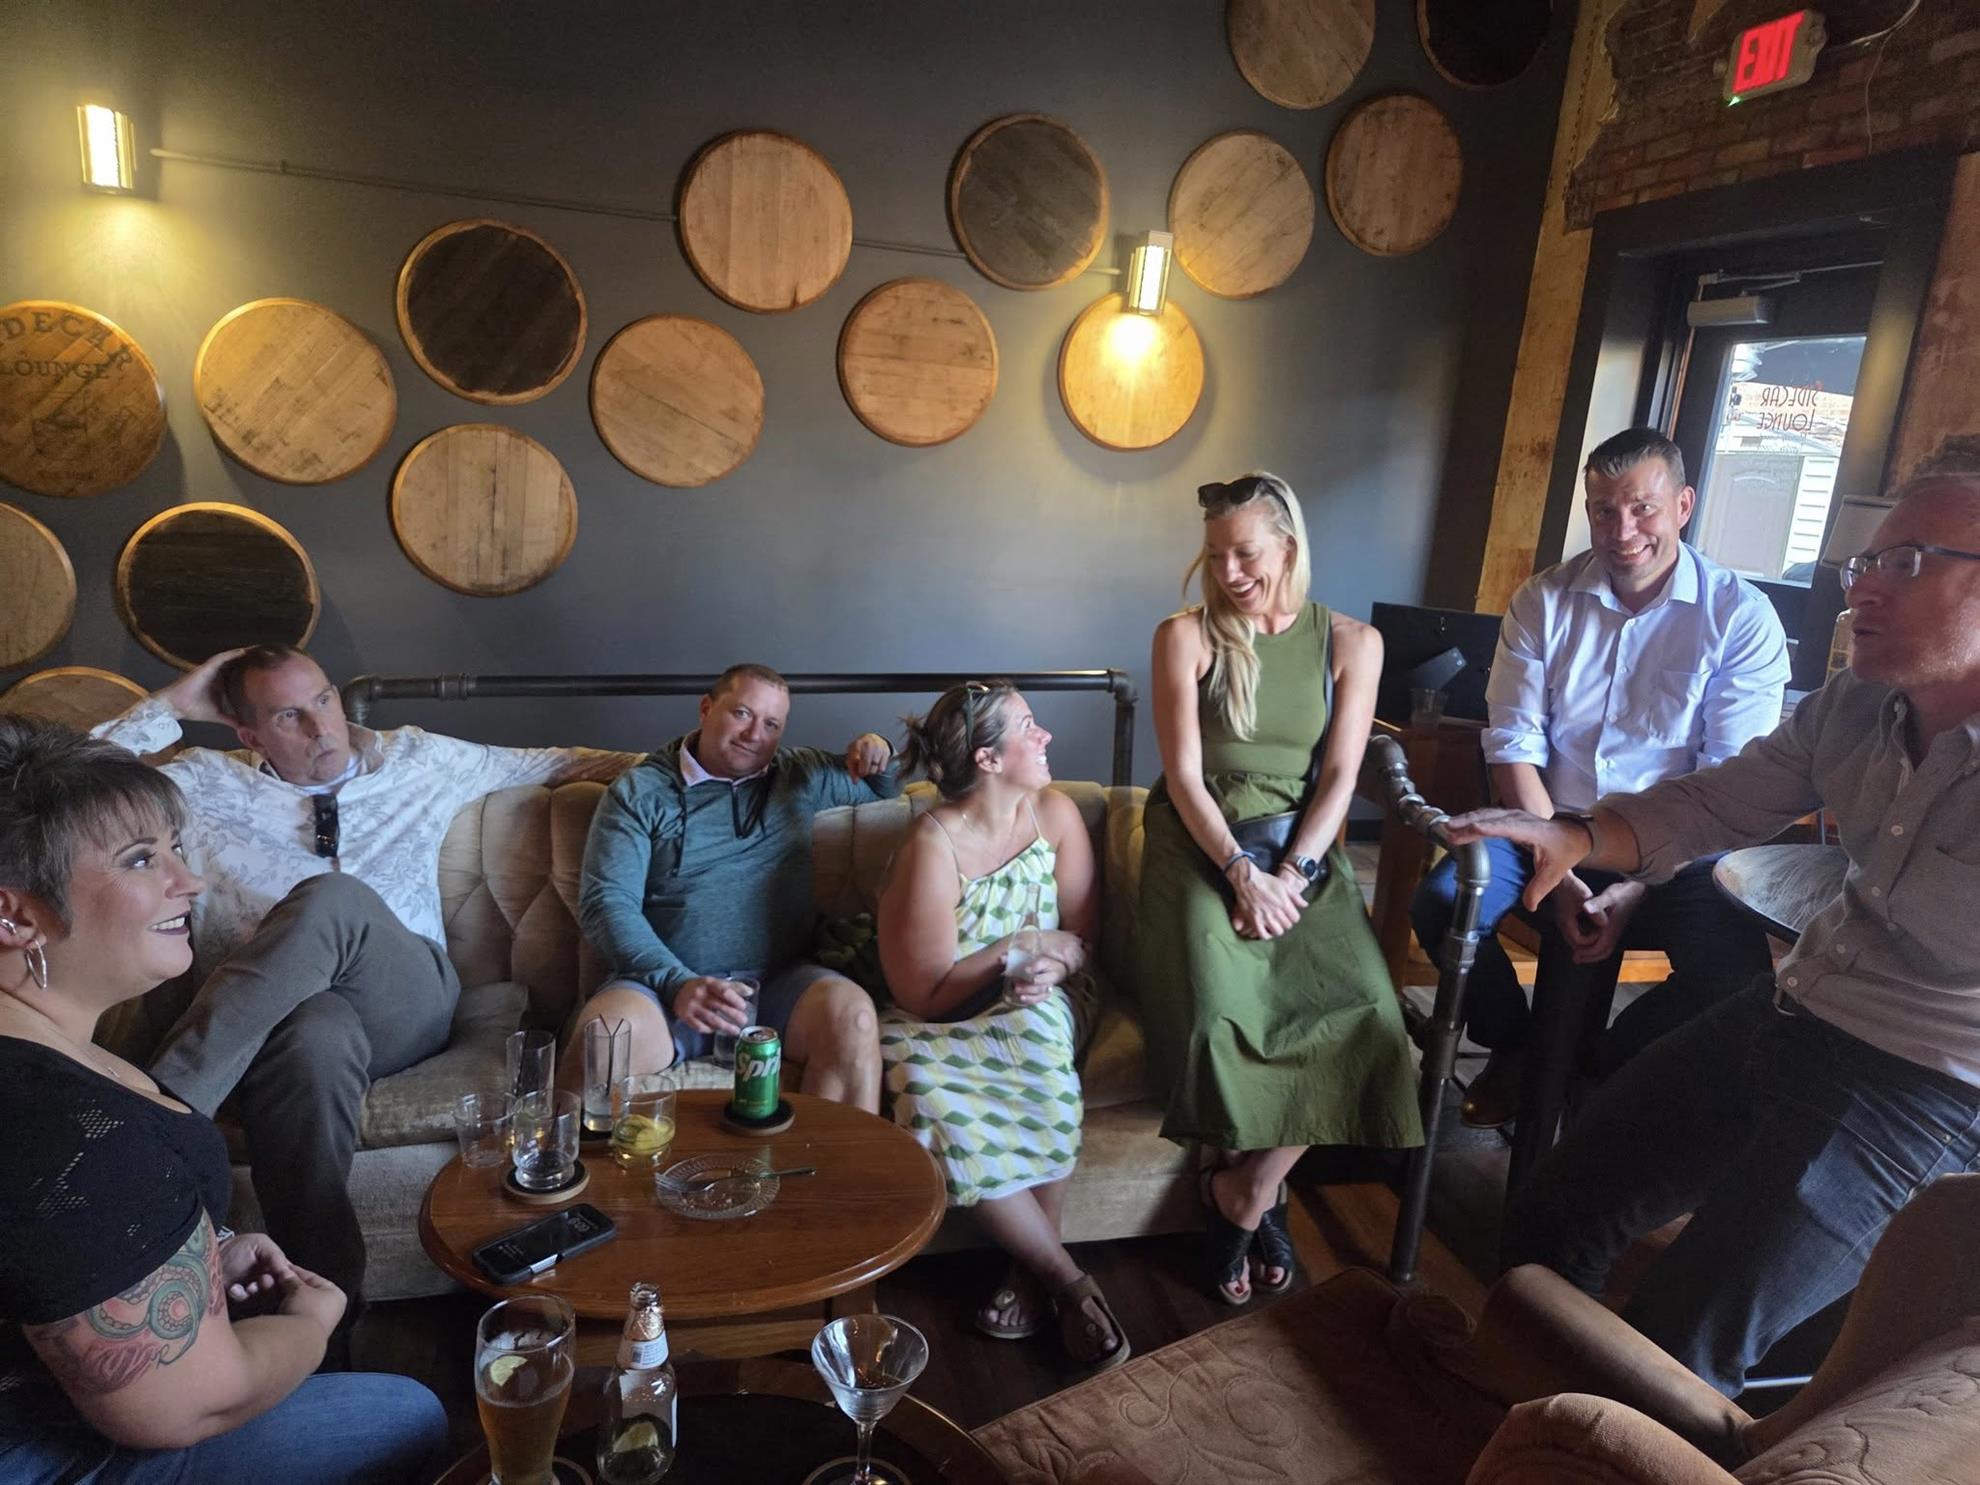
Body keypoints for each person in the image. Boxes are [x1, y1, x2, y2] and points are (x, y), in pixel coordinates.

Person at [1444, 471, 1980, 1396]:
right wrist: (1574, 835)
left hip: (1925, 1085)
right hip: (1797, 1007)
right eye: (1862, 565)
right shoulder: (1853, 706)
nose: (1860, 591)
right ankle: (1522, 1427)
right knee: (1550, 1216)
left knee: (1677, 1339)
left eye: (1904, 563)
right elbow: (1716, 801)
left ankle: (1597, 1448)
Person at [91, 645, 632, 1310]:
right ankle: (324, 1309)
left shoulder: (417, 758)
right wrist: (171, 705)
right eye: (289, 716)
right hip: (282, 1025)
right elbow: (61, 792)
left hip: (406, 1002)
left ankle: (160, 1112)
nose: (322, 725)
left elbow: (564, 762)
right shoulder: (203, 782)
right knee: (313, 1038)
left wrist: (711, 761)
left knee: (332, 899)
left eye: (323, 699)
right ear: (250, 736)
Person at [0, 716, 447, 1483]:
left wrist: (199, 1251)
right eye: (142, 859)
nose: (190, 880)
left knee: (331, 934)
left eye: (175, 847)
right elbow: (189, 1408)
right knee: (411, 1413)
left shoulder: (55, 1061)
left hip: (397, 988)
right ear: (15, 915)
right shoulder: (72, 1127)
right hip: (33, 1441)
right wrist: (313, 1320)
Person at [1411, 428, 1787, 1126]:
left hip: (1681, 849)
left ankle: (1601, 1072)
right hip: (1548, 821)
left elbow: (1727, 781)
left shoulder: (1741, 617)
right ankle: (1519, 1049)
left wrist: (1638, 885)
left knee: (1739, 978)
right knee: (1440, 903)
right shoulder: (1542, 599)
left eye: (1642, 509)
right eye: (1604, 510)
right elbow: (1514, 744)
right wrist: (1558, 868)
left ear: (1683, 505)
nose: (1622, 531)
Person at [1138, 472, 1424, 1306]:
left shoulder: (1354, 642)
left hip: (1299, 848)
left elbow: (1339, 778)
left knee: (1371, 1013)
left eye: (1245, 553)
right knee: (1216, 1014)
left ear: (1288, 547)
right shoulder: (1183, 636)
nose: (1228, 572)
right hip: (1202, 842)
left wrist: (1290, 873)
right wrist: (1240, 874)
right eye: (1215, 555)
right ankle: (1259, 1197)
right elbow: (1184, 777)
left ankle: (1249, 1189)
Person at [875, 681, 1127, 1370]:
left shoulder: (1056, 815)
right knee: (923, 1089)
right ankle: (1065, 1280)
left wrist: (1052, 962)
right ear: (987, 758)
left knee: (1040, 1048)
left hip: (1047, 996)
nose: (1046, 737)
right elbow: (924, 994)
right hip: (942, 1016)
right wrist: (1017, 947)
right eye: (1029, 727)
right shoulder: (933, 844)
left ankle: (1029, 1269)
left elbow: (1082, 939)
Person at [569, 664, 896, 1110]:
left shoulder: (800, 775)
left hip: (778, 986)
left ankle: (831, 1157)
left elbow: (884, 790)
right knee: (604, 1038)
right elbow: (606, 903)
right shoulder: (641, 791)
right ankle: (565, 1154)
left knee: (853, 1017)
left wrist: (879, 750)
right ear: (706, 709)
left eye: (771, 724)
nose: (754, 734)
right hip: (661, 993)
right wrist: (676, 983)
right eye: (742, 713)